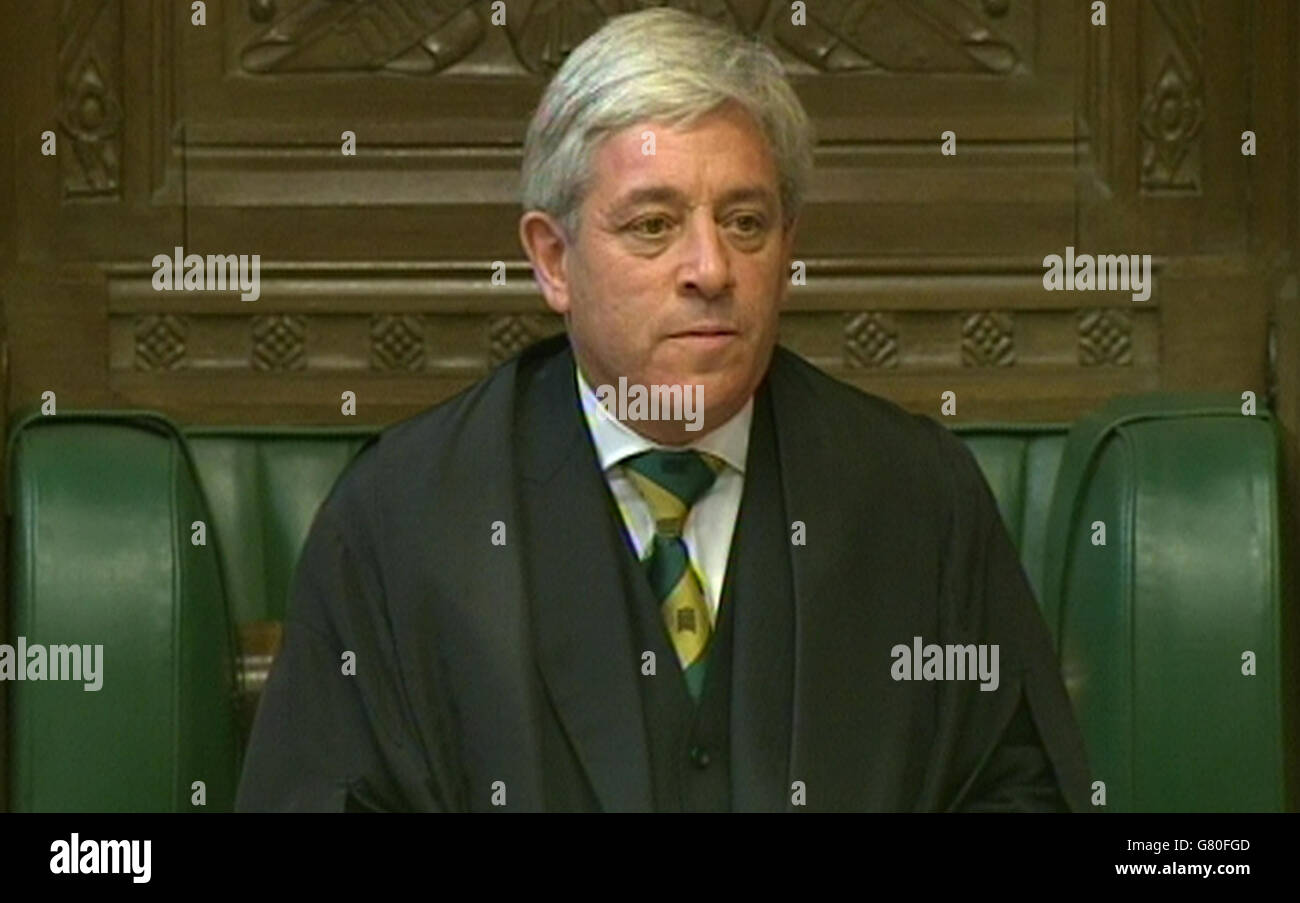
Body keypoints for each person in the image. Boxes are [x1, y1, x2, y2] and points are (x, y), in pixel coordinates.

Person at [235, 7, 1090, 812]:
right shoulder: (403, 518)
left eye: (746, 222)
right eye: (653, 225)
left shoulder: (917, 499)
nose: (711, 268)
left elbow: (1018, 793)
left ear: (787, 249)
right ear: (553, 260)